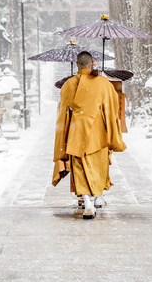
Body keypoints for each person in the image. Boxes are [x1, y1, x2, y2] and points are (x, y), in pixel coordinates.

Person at [52, 51, 126, 219]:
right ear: (93, 63)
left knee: (79, 167)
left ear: (77, 64)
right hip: (97, 131)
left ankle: (87, 203)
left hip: (76, 131)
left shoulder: (69, 84)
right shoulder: (103, 83)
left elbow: (63, 111)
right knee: (97, 166)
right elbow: (112, 108)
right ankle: (95, 197)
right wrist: (111, 130)